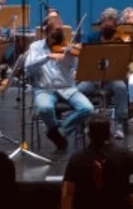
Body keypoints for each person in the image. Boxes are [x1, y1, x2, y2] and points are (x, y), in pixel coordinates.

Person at [24, 23, 95, 153]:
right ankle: (56, 132)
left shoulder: (67, 48)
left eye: (60, 33)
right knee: (44, 108)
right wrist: (47, 57)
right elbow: (28, 66)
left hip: (67, 87)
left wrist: (69, 54)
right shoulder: (36, 46)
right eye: (54, 34)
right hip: (44, 89)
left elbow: (75, 67)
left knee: (88, 108)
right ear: (47, 33)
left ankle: (59, 132)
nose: (57, 38)